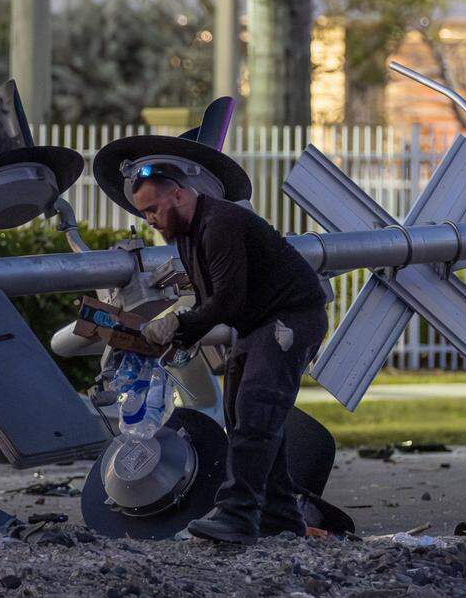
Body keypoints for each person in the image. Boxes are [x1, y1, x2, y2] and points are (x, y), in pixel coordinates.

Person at [131, 163, 327, 544]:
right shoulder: (189, 235)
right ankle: (280, 517)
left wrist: (179, 326)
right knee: (241, 416)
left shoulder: (220, 223)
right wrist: (181, 335)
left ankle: (237, 514)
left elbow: (227, 299)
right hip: (259, 325)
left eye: (153, 209)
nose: (150, 219)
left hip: (289, 318)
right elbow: (212, 300)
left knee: (257, 411)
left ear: (179, 194)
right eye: (143, 213)